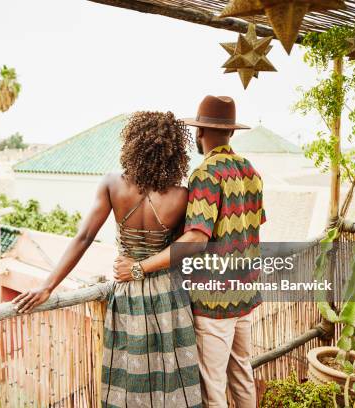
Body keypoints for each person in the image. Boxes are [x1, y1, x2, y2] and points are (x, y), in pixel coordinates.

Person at [13, 111, 202, 408]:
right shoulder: (181, 196)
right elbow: (178, 250)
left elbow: (84, 237)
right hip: (168, 292)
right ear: (175, 152)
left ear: (133, 144)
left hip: (128, 290)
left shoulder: (113, 184)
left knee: (130, 375)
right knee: (171, 372)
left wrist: (48, 286)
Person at [114, 96, 265, 408]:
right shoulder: (251, 172)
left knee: (212, 389)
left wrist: (140, 267)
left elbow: (196, 239)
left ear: (200, 133)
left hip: (214, 301)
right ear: (231, 133)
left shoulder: (205, 174)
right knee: (242, 375)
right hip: (246, 293)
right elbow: (253, 229)